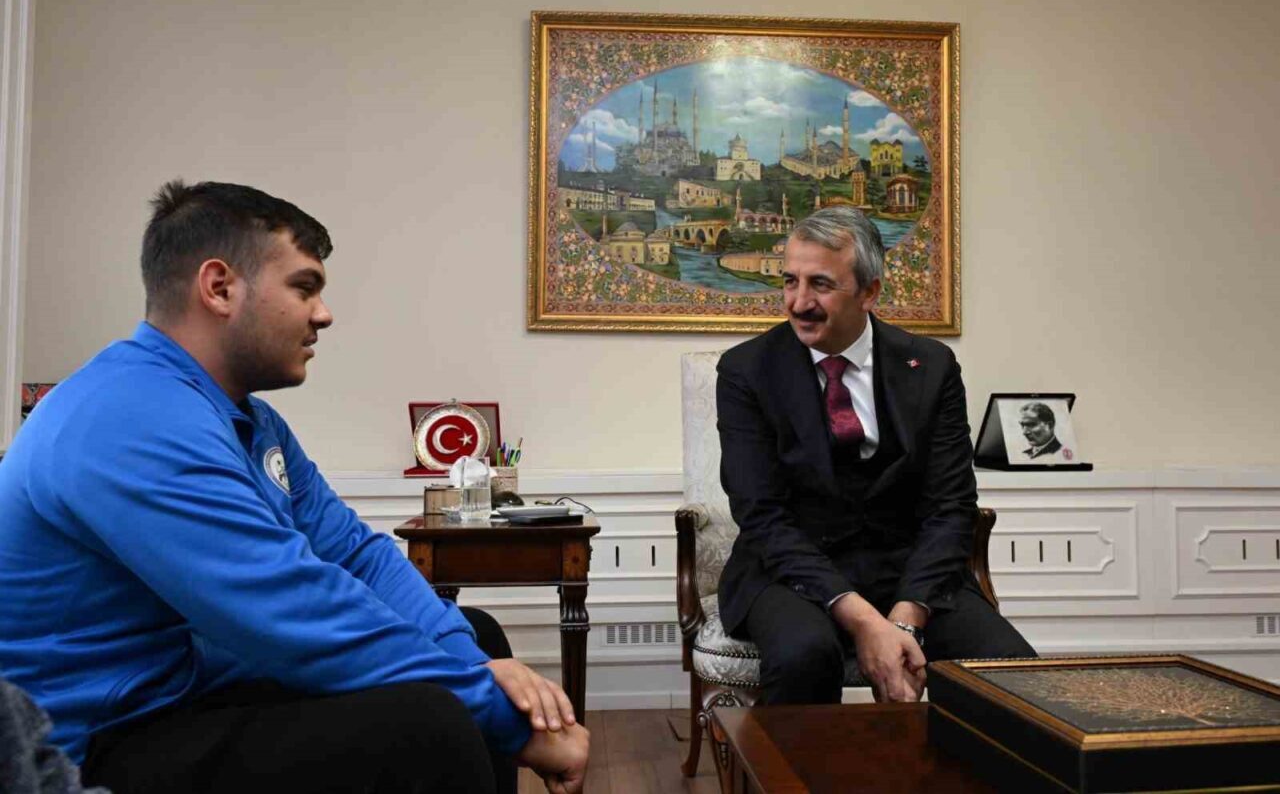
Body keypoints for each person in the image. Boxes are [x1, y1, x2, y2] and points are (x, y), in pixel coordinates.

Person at [0, 180, 589, 794]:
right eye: (304, 288)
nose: (323, 314)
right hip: (95, 742)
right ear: (219, 287)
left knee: (477, 636)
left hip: (182, 690)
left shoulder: (249, 420)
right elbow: (287, 607)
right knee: (429, 726)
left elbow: (354, 556)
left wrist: (475, 667)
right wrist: (508, 721)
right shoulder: (131, 414)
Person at [716, 206, 1035, 707]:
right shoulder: (746, 371)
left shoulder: (931, 366)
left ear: (869, 292)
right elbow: (762, 516)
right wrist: (864, 619)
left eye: (821, 284)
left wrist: (906, 617)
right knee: (805, 655)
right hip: (791, 573)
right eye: (790, 281)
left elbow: (951, 506)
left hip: (909, 571)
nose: (799, 302)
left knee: (1012, 672)